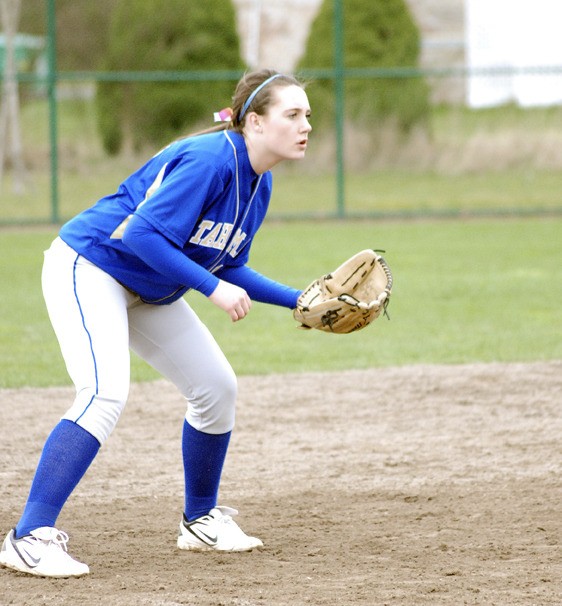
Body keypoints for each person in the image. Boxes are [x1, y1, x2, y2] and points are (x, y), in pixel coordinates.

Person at [0, 68, 312, 578]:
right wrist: (211, 290)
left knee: (215, 387)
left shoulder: (259, 182)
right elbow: (136, 234)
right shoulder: (210, 161)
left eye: (307, 116)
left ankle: (200, 519)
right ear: (254, 122)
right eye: (292, 114)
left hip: (148, 286)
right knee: (103, 393)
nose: (305, 126)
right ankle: (27, 536)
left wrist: (298, 300)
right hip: (92, 265)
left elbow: (225, 262)